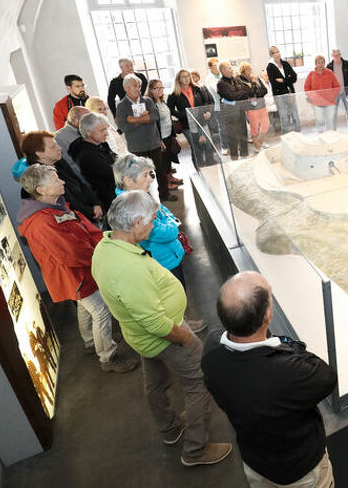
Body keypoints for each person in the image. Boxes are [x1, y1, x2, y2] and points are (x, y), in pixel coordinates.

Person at [91, 191, 232, 467]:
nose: (154, 225)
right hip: (164, 338)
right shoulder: (129, 267)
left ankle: (170, 428)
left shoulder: (105, 246)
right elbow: (154, 322)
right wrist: (187, 339)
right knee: (198, 386)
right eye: (152, 220)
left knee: (154, 383)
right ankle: (196, 450)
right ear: (137, 222)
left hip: (139, 338)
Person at [202, 272, 337, 488]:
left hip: (256, 463)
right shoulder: (289, 372)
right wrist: (284, 344)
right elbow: (326, 376)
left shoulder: (211, 351)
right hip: (301, 471)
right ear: (267, 315)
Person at [17, 164, 135, 373]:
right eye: (55, 181)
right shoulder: (42, 222)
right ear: (41, 191)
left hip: (80, 272)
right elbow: (69, 253)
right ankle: (107, 356)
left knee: (86, 307)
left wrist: (101, 243)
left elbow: (83, 231)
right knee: (101, 310)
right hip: (74, 275)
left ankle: (91, 341)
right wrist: (102, 254)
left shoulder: (55, 207)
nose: (62, 182)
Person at [113, 154, 204, 331]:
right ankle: (181, 327)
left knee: (179, 292)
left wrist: (170, 221)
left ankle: (182, 321)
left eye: (150, 174)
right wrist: (173, 225)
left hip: (169, 256)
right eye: (145, 175)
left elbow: (165, 212)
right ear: (127, 180)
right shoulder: (132, 206)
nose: (150, 180)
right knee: (171, 298)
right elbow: (166, 231)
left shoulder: (142, 197)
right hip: (163, 261)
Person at [20, 130, 102, 224]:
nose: (59, 148)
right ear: (39, 153)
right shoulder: (37, 178)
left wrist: (96, 203)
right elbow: (68, 203)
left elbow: (80, 183)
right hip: (74, 222)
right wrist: (91, 212)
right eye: (53, 147)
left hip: (89, 212)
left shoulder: (58, 161)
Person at [115, 74, 173, 201]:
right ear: (126, 88)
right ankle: (146, 199)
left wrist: (133, 120)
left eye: (139, 86)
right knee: (140, 175)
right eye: (134, 86)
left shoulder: (147, 101)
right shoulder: (122, 106)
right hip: (137, 146)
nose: (138, 88)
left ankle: (165, 194)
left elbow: (154, 117)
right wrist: (143, 118)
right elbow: (124, 127)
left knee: (160, 171)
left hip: (153, 143)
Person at [69, 112, 118, 211]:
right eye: (102, 130)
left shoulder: (100, 143)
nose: (107, 133)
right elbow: (113, 174)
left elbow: (115, 158)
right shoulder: (85, 155)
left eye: (106, 129)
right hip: (108, 198)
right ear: (88, 132)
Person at [147, 79, 183, 192]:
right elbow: (152, 123)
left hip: (168, 134)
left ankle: (169, 176)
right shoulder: (150, 104)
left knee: (168, 158)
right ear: (151, 90)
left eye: (161, 87)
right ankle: (164, 184)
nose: (160, 90)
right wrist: (158, 139)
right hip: (160, 137)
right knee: (161, 162)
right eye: (156, 88)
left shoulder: (162, 101)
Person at [166, 69, 213, 153]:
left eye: (188, 76)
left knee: (208, 146)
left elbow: (207, 101)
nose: (186, 78)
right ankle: (199, 166)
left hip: (202, 121)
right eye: (183, 77)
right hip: (187, 124)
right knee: (196, 149)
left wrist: (207, 111)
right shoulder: (174, 93)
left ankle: (210, 164)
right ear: (179, 79)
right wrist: (181, 115)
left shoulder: (197, 88)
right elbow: (169, 109)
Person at [216, 61, 252, 159]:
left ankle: (245, 155)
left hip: (240, 111)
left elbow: (248, 90)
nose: (232, 69)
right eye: (229, 68)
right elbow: (231, 96)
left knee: (243, 134)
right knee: (233, 137)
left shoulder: (236, 80)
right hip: (230, 114)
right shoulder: (221, 84)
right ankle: (235, 157)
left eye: (231, 68)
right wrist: (241, 93)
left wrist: (239, 93)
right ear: (223, 71)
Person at [265, 46, 300, 133]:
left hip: (290, 93)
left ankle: (298, 133)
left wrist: (284, 80)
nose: (278, 54)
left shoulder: (285, 63)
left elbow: (294, 77)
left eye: (278, 51)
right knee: (284, 117)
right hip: (279, 95)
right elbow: (275, 83)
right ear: (271, 55)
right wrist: (288, 80)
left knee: (295, 115)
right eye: (275, 52)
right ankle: (286, 136)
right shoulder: (270, 67)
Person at [304, 55, 341, 133]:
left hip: (330, 102)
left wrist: (332, 96)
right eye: (318, 63)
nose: (320, 64)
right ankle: (321, 137)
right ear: (315, 64)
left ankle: (330, 137)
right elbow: (307, 87)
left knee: (330, 121)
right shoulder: (311, 74)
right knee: (320, 120)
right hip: (316, 103)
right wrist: (313, 97)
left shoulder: (330, 73)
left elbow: (337, 86)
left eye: (322, 62)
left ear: (324, 63)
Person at [238, 62, 270, 151]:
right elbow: (249, 93)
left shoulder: (256, 78)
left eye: (251, 69)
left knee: (266, 125)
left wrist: (256, 93)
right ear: (243, 71)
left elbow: (264, 90)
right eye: (249, 69)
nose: (251, 71)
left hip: (262, 105)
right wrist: (254, 85)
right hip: (252, 108)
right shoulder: (240, 81)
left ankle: (260, 141)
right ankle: (257, 147)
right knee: (254, 128)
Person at [55, 105, 92, 180]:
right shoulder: (58, 138)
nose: (92, 121)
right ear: (75, 120)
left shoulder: (88, 131)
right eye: (87, 119)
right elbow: (72, 167)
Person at [327, 48, 348, 134]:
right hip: (334, 94)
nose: (336, 57)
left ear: (340, 54)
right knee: (333, 114)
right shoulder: (329, 67)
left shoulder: (347, 64)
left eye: (338, 55)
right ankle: (333, 131)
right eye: (334, 55)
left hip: (346, 93)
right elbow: (327, 82)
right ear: (332, 56)